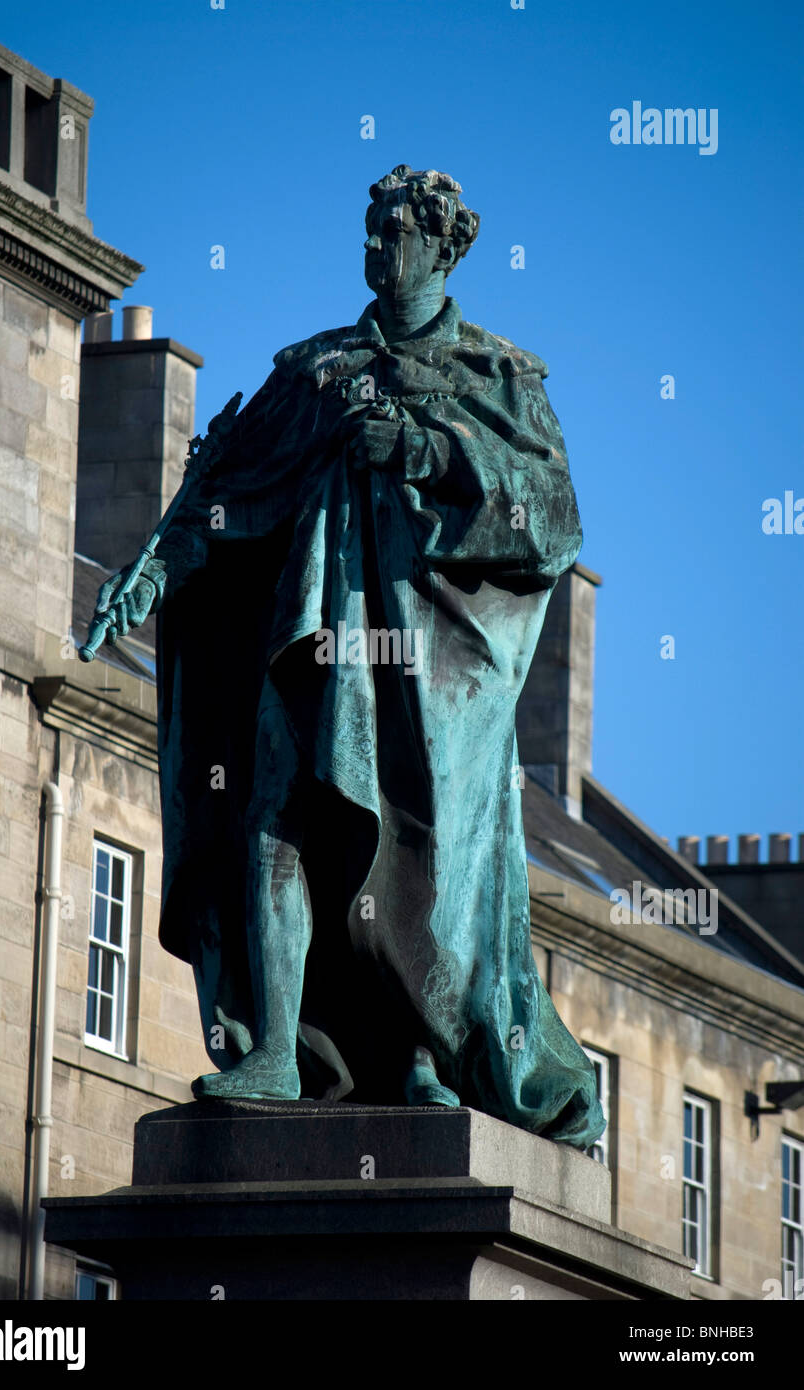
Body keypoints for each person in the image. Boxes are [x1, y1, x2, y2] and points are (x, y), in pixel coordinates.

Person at [94, 164, 605, 1148]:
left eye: (391, 234)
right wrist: (156, 574)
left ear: (442, 245)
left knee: (415, 846)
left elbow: (552, 522)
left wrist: (426, 450)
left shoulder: (500, 379)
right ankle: (278, 1048)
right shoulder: (314, 371)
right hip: (311, 641)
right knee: (276, 819)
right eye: (367, 232)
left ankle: (425, 1054)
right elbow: (227, 496)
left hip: (430, 664)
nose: (373, 250)